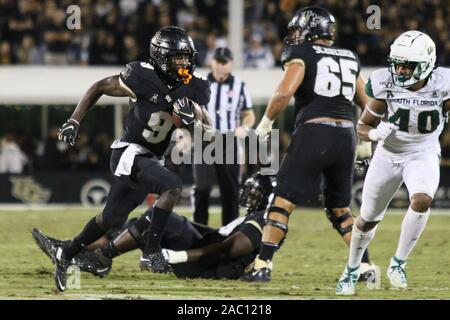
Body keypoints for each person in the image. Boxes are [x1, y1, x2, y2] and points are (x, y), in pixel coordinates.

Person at [53, 26, 212, 291]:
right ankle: (151, 252)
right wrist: (74, 120)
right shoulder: (141, 76)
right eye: (178, 57)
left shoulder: (195, 85)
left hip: (151, 160)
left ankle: (66, 252)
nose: (185, 63)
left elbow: (207, 133)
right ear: (161, 56)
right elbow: (99, 86)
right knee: (172, 185)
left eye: (187, 57)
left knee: (110, 219)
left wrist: (191, 122)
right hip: (130, 152)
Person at [241, 7, 374, 282]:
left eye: (298, 29)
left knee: (282, 201)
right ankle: (366, 267)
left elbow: (283, 93)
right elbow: (368, 104)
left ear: (309, 29)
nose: (295, 35)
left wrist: (265, 124)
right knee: (340, 210)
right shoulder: (349, 57)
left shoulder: (301, 54)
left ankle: (262, 264)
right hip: (346, 135)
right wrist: (364, 142)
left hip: (315, 132)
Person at [336, 30, 450, 295]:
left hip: (422, 152)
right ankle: (352, 269)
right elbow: (362, 126)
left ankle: (398, 263)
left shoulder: (444, 84)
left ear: (426, 64)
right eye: (397, 63)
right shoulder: (385, 82)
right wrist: (374, 134)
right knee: (366, 220)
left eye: (406, 65)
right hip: (388, 154)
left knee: (422, 200)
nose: (399, 69)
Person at [32, 173, 275, 280]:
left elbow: (224, 250)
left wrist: (175, 256)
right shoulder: (258, 218)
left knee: (159, 217)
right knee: (144, 223)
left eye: (255, 193)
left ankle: (97, 257)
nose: (249, 196)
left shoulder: (262, 221)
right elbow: (219, 236)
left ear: (266, 198)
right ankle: (74, 252)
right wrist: (190, 225)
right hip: (204, 254)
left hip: (205, 264)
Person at [192, 47, 255, 226]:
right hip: (204, 139)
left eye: (224, 62)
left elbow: (249, 114)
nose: (220, 66)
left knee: (230, 189)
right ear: (211, 62)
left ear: (231, 64)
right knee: (202, 188)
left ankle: (230, 232)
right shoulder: (200, 83)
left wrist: (244, 127)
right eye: (217, 61)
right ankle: (199, 230)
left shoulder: (240, 86)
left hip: (228, 140)